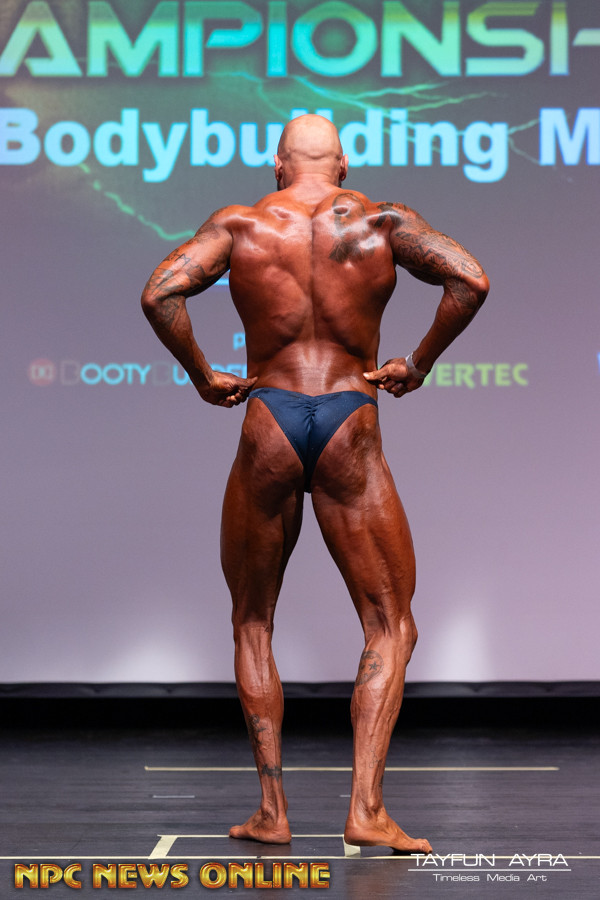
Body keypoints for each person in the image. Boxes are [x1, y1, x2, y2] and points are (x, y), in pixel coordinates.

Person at [141, 114, 489, 854]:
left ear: (277, 166)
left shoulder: (239, 224)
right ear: (344, 163)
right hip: (348, 419)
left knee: (252, 621)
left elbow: (160, 293)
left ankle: (272, 812)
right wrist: (419, 363)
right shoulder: (383, 221)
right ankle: (366, 809)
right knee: (391, 625)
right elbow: (471, 279)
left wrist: (202, 375)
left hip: (268, 415)